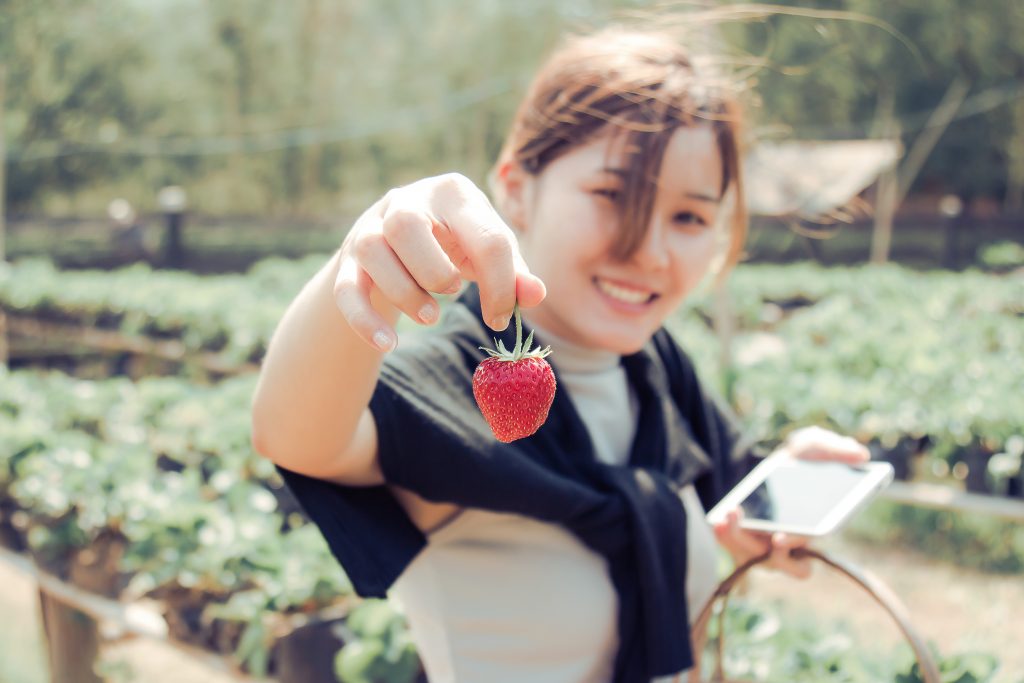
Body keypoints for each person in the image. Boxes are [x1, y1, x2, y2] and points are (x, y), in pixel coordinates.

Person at [251, 21, 869, 683]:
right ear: (515, 186)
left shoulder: (657, 368)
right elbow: (297, 435)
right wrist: (362, 263)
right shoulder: (456, 381)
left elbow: (728, 508)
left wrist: (773, 493)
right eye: (612, 195)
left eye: (689, 216)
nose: (651, 253)